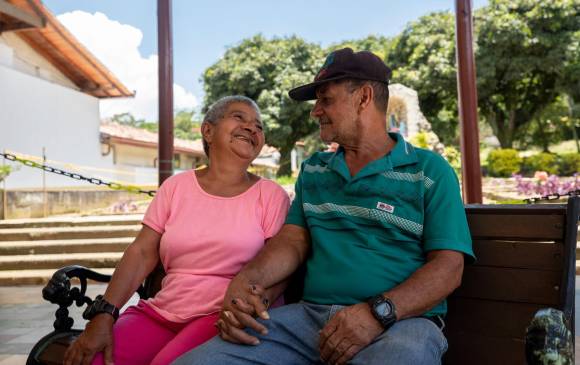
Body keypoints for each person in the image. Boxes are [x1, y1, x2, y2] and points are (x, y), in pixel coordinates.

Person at [174, 48, 475, 365]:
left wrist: (378, 313)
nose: (315, 111)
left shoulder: (428, 171)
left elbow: (448, 267)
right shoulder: (315, 169)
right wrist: (248, 280)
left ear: (363, 97)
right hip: (307, 322)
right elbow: (292, 240)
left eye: (326, 100)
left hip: (399, 323)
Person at [63, 96, 290, 365]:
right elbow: (142, 252)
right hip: (163, 311)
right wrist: (104, 314)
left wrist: (250, 307)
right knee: (93, 360)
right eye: (239, 117)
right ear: (208, 130)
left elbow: (281, 264)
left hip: (225, 315)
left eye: (259, 126)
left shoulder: (271, 196)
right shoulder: (175, 188)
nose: (252, 128)